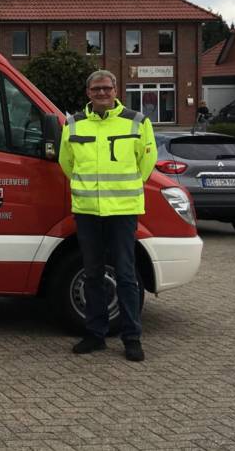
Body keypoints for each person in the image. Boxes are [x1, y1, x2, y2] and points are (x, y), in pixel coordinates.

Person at [59, 70, 156, 362]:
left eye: (106, 88)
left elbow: (147, 161)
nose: (101, 93)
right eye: (96, 89)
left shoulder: (137, 122)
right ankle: (95, 334)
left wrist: (123, 187)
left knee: (126, 275)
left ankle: (132, 338)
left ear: (116, 90)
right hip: (88, 210)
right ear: (88, 92)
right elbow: (67, 162)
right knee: (92, 274)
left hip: (123, 210)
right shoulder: (73, 123)